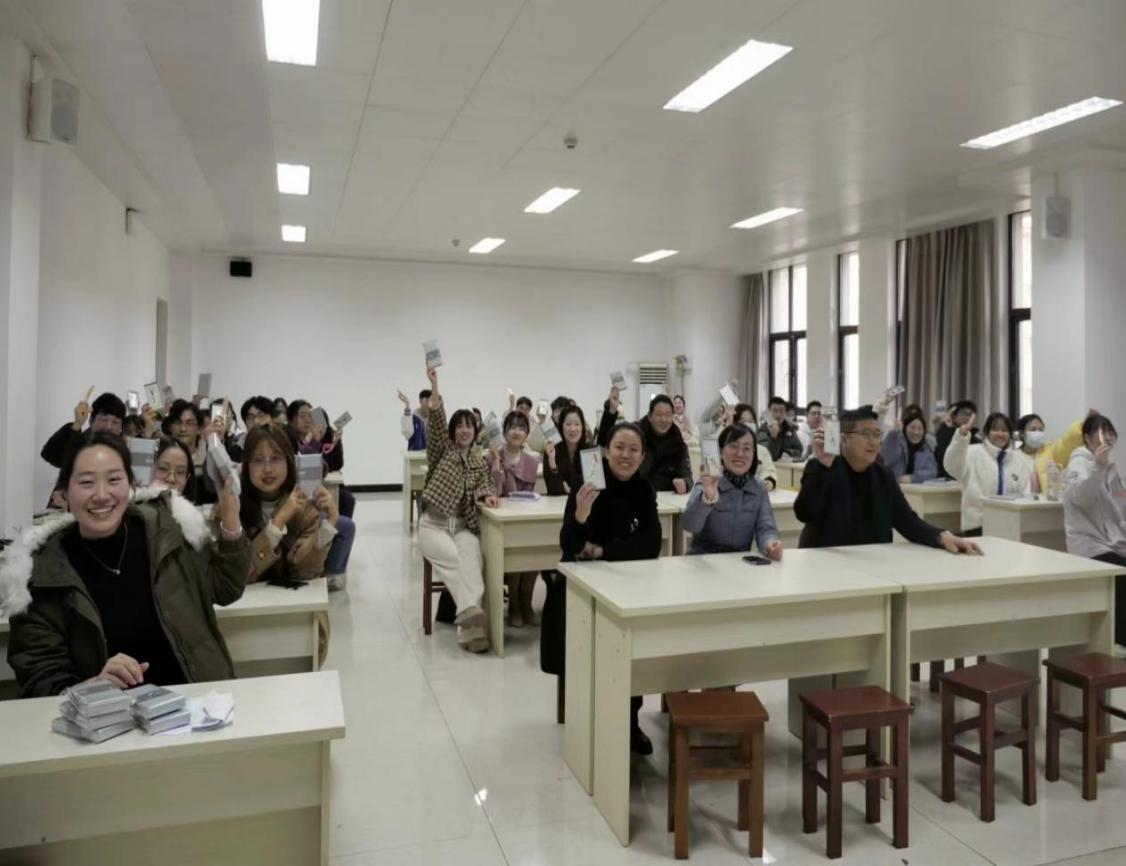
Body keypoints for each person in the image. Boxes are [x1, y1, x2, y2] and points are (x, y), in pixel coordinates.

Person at [2, 431, 249, 697]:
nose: (101, 495)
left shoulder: (167, 530)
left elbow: (226, 588)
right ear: (64, 493)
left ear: (131, 485)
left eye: (114, 479)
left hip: (196, 704)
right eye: (86, 482)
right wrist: (94, 686)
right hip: (107, 718)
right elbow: (41, 679)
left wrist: (230, 515)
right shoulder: (40, 574)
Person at [556, 422, 662, 753]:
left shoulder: (643, 488)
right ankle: (587, 720)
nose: (625, 455)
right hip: (584, 586)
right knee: (591, 654)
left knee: (631, 650)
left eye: (633, 450)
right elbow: (568, 545)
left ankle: (629, 722)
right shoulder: (587, 483)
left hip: (626, 583)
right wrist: (580, 516)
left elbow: (652, 543)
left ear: (642, 456)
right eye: (619, 447)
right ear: (605, 451)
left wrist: (603, 551)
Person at [795, 406, 981, 553]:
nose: (873, 442)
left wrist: (942, 536)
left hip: (874, 564)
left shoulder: (883, 475)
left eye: (877, 434)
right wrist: (823, 466)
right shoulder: (821, 467)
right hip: (826, 563)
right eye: (866, 434)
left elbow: (906, 520)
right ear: (843, 439)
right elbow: (804, 513)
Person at [417, 366, 499, 653]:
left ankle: (469, 631)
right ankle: (472, 623)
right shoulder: (442, 450)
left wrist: (487, 495)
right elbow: (436, 423)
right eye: (460, 426)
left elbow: (485, 483)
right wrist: (435, 385)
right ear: (453, 431)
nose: (465, 430)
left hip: (463, 526)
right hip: (433, 525)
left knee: (473, 558)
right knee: (455, 561)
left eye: (469, 426)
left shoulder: (478, 461)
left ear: (476, 432)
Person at [237, 425, 353, 590]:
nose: (267, 469)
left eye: (275, 458)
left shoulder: (304, 509)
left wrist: (328, 525)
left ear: (289, 461)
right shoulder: (232, 511)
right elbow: (240, 574)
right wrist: (279, 521)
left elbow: (305, 572)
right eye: (258, 460)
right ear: (246, 465)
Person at [1061, 415, 1126, 644]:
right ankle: (1119, 642)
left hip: (1112, 541)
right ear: (1088, 438)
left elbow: (1119, 505)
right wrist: (1098, 467)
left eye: (1110, 432)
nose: (1107, 437)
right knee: (1122, 576)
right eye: (1101, 432)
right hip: (1090, 545)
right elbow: (1083, 497)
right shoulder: (1080, 462)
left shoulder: (1110, 465)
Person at [682, 423, 782, 557]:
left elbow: (765, 528)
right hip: (703, 560)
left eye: (747, 448)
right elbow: (689, 525)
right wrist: (707, 498)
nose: (740, 453)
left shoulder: (758, 488)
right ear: (721, 451)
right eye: (734, 446)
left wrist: (770, 544)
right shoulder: (708, 481)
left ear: (754, 455)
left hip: (739, 562)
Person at [487, 410, 542, 627]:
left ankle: (526, 601)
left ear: (527, 434)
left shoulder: (531, 460)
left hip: (523, 517)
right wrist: (497, 466)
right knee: (517, 549)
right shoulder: (492, 455)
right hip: (500, 520)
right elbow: (495, 492)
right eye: (512, 427)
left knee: (535, 548)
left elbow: (528, 494)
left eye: (521, 428)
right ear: (504, 431)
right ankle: (515, 605)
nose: (517, 432)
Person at [943, 411, 1035, 536]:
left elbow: (1025, 492)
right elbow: (951, 466)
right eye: (995, 429)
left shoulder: (1017, 459)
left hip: (1010, 525)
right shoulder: (973, 452)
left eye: (1004, 430)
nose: (1000, 434)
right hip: (978, 526)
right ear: (987, 432)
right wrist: (960, 437)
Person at [598, 388, 691, 493]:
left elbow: (687, 475)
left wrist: (685, 483)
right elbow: (606, 440)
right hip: (634, 495)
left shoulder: (678, 441)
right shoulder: (635, 434)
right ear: (650, 416)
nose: (663, 419)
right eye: (659, 414)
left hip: (666, 497)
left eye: (668, 415)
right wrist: (611, 412)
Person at [41, 391, 126, 468]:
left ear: (121, 428)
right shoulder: (81, 443)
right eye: (103, 419)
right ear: (91, 421)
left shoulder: (124, 449)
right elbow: (50, 456)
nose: (108, 427)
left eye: (115, 422)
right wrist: (77, 424)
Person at [1019, 410, 1094, 493]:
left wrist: (1083, 425)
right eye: (1033, 430)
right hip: (1018, 501)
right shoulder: (1014, 456)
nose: (1038, 433)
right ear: (1022, 434)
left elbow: (1067, 443)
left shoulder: (1050, 451)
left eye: (1041, 430)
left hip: (1045, 501)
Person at [879, 404, 939, 483]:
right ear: (905, 428)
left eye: (920, 428)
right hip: (892, 487)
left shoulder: (926, 448)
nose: (916, 432)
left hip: (915, 490)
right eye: (912, 428)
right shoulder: (896, 441)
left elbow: (932, 472)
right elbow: (887, 457)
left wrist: (912, 478)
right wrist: (894, 434)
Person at [543, 404, 592, 497]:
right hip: (558, 505)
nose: (572, 429)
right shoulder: (552, 450)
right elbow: (553, 490)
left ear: (582, 427)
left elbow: (593, 488)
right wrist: (552, 461)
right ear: (561, 426)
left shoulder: (590, 451)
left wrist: (570, 490)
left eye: (577, 424)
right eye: (568, 424)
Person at [935, 400, 980, 479]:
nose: (967, 417)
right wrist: (945, 426)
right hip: (947, 480)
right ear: (954, 417)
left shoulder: (977, 440)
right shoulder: (945, 434)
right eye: (964, 414)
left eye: (970, 415)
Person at [757, 396, 803, 462]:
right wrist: (774, 438)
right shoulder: (762, 431)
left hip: (787, 466)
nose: (778, 415)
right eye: (775, 411)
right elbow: (767, 456)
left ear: (785, 413)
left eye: (781, 411)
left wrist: (788, 452)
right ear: (769, 412)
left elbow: (799, 450)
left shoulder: (789, 430)